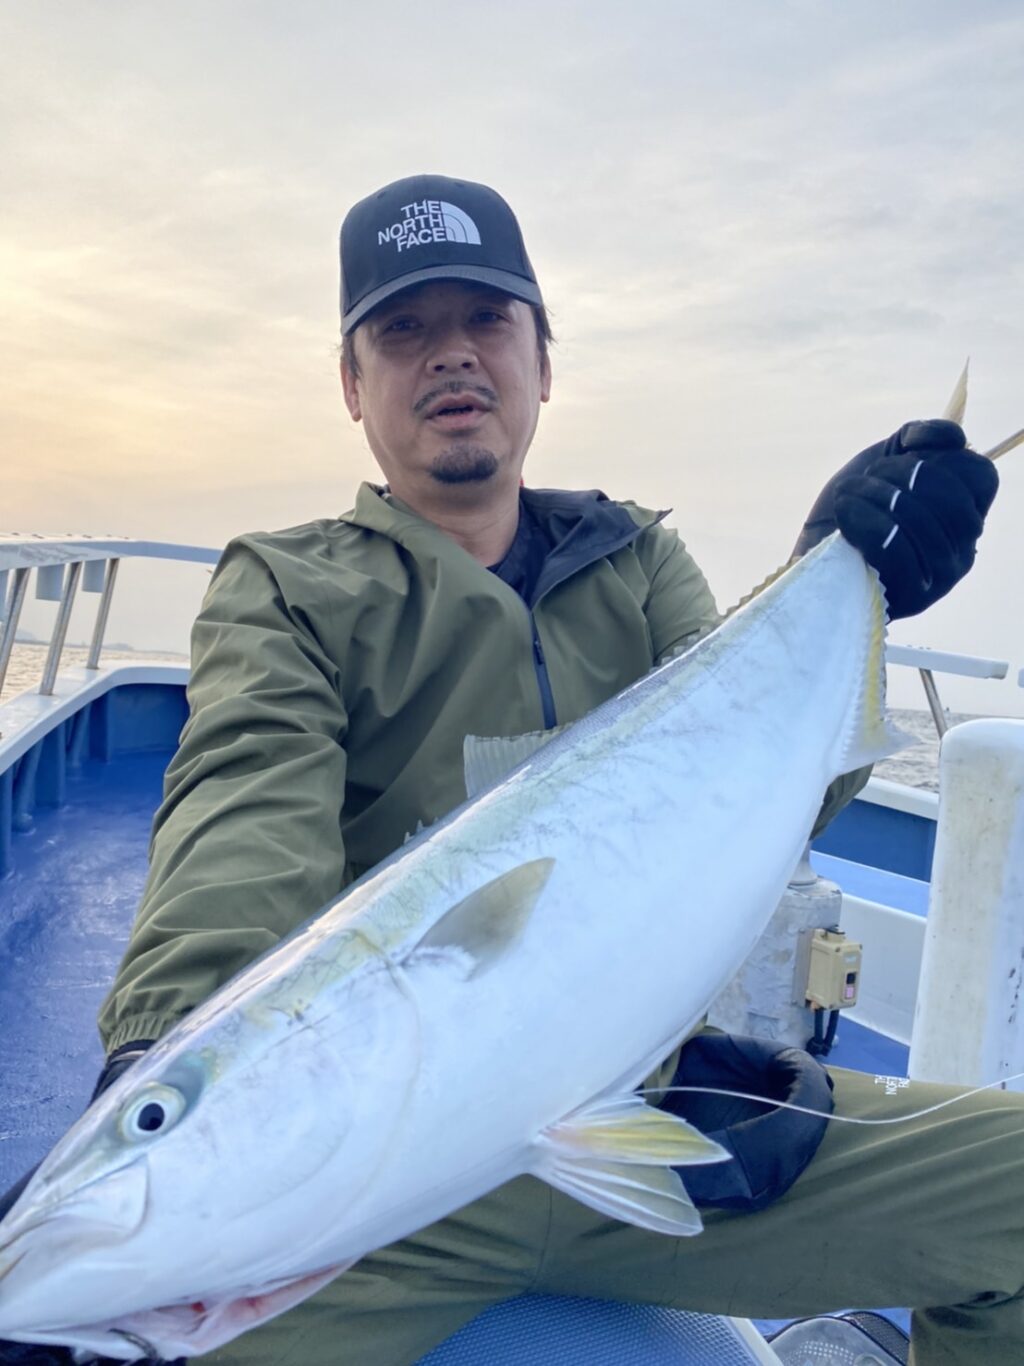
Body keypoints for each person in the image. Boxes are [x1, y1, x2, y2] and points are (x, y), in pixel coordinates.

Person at [1, 175, 1017, 1366]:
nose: (452, 355)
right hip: (377, 1188)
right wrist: (162, 1051)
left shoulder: (638, 561)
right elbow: (242, 814)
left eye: (486, 319)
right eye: (402, 329)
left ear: (543, 362)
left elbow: (760, 789)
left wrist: (842, 578)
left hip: (659, 1118)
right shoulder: (288, 585)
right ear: (351, 384)